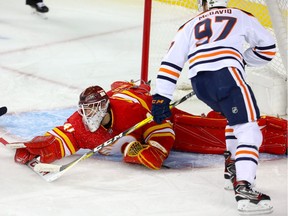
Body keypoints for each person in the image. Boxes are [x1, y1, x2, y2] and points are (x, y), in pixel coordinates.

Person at [151, 0, 276, 214]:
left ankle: (232, 169)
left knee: (233, 118)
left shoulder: (189, 24)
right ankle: (245, 189)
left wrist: (161, 96)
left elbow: (170, 62)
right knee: (249, 129)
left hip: (199, 82)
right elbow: (269, 48)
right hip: (227, 74)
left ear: (204, 4)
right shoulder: (240, 14)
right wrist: (243, 60)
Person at [14, 81, 175, 170]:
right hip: (117, 94)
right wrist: (46, 147)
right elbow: (66, 136)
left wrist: (157, 147)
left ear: (103, 107)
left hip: (137, 98)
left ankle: (137, 87)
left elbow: (161, 124)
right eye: (85, 109)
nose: (87, 114)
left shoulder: (131, 111)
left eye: (91, 108)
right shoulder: (81, 122)